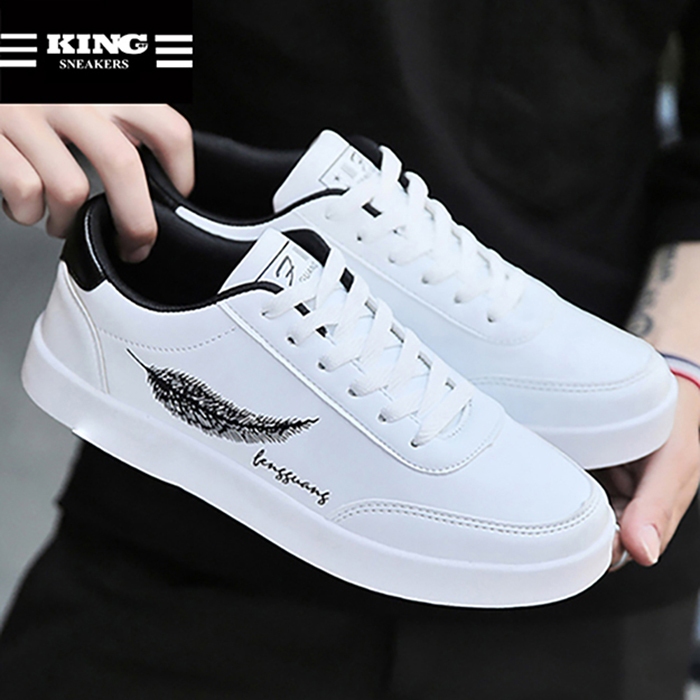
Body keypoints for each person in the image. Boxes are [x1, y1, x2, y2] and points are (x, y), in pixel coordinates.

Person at [1, 2, 700, 698]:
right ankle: (152, 309)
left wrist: (685, 366)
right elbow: (138, 46)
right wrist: (31, 51)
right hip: (177, 562)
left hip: (585, 572)